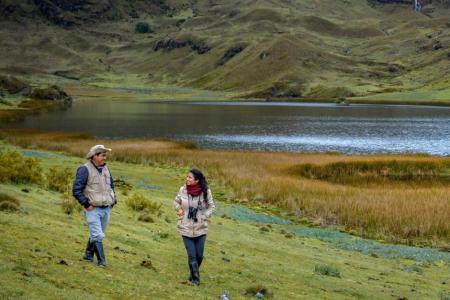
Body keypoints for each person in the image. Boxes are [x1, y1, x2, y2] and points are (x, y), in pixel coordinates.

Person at [72, 144, 116, 267]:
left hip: (106, 209)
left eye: (105, 155)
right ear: (94, 156)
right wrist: (86, 204)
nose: (105, 158)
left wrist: (113, 200)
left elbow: (111, 186)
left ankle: (88, 255)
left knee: (96, 234)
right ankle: (102, 262)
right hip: (93, 209)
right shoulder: (84, 170)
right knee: (98, 235)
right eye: (103, 155)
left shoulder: (106, 169)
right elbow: (76, 190)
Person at [173, 169, 215, 286]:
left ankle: (191, 277)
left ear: (197, 180)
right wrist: (179, 209)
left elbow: (212, 207)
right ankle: (196, 281)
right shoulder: (183, 190)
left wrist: (204, 216)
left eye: (190, 177)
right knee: (192, 255)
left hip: (201, 228)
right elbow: (175, 202)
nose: (187, 179)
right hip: (185, 226)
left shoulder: (206, 191)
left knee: (199, 255)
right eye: (187, 177)